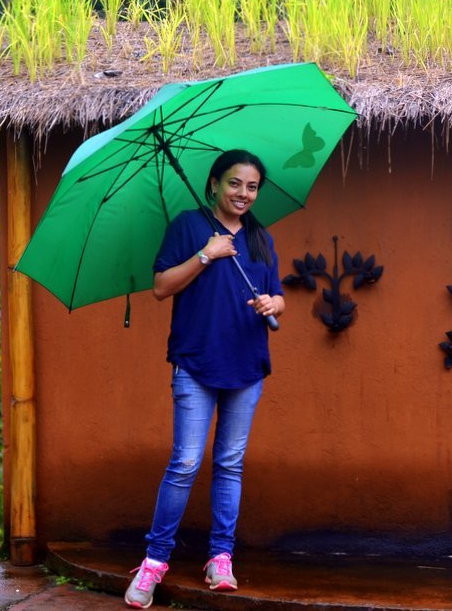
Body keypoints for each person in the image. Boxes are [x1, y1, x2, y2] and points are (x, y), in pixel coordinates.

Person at [124, 149, 285, 609]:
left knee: (230, 464)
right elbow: (160, 288)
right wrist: (206, 254)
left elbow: (278, 294)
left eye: (252, 186)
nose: (243, 194)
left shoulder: (260, 238)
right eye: (234, 183)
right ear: (214, 184)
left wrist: (274, 305)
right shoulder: (188, 226)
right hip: (196, 363)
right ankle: (154, 563)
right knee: (186, 462)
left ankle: (220, 557)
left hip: (247, 365)